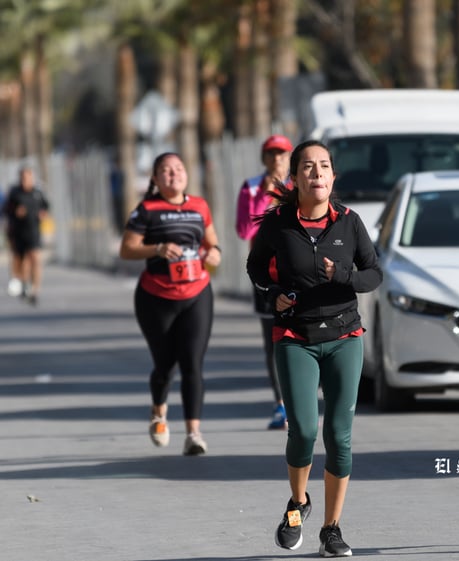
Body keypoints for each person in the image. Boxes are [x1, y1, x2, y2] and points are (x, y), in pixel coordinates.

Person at [246, 140, 382, 557]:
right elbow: (255, 268)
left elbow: (373, 274)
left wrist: (342, 275)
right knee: (303, 430)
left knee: (339, 437)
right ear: (296, 178)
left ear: (333, 177)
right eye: (308, 167)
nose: (316, 173)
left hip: (344, 337)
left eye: (323, 166)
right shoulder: (279, 225)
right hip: (295, 338)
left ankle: (331, 528)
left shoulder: (349, 222)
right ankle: (298, 502)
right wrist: (275, 292)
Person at [119, 152, 222, 456]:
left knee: (192, 363)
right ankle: (159, 412)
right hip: (156, 297)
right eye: (165, 171)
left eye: (178, 169)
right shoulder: (146, 210)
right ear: (154, 179)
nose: (173, 174)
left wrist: (214, 253)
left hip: (197, 293)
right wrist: (158, 248)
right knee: (165, 366)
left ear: (186, 174)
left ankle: (193, 434)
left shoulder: (199, 206)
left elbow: (211, 242)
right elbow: (127, 249)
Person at [236, 134, 294, 430]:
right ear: (263, 158)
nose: (276, 159)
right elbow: (245, 230)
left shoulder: (299, 187)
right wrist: (265, 195)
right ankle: (280, 405)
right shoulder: (252, 188)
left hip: (299, 273)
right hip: (266, 276)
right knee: (273, 341)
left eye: (282, 154)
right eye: (271, 154)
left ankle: (303, 401)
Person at [2, 167, 50, 305]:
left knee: (35, 258)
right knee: (22, 262)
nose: (25, 181)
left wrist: (43, 214)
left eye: (28, 178)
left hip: (33, 231)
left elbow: (46, 207)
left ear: (32, 178)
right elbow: (6, 210)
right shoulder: (15, 193)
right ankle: (24, 285)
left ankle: (35, 290)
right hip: (18, 232)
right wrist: (16, 212)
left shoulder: (38, 192)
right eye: (23, 178)